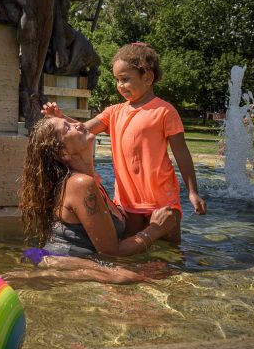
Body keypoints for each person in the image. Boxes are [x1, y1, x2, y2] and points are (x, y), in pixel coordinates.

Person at [46, 42, 206, 243]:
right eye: (117, 80)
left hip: (162, 199)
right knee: (133, 248)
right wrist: (61, 117)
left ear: (147, 77)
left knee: (170, 251)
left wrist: (193, 192)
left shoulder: (165, 112)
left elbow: (182, 154)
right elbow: (83, 129)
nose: (119, 85)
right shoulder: (114, 112)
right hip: (127, 201)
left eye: (125, 79)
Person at [9, 115, 179, 284]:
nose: (77, 124)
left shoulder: (90, 181)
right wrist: (155, 229)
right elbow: (110, 252)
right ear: (64, 153)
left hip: (77, 261)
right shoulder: (81, 184)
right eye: (67, 128)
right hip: (63, 262)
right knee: (130, 277)